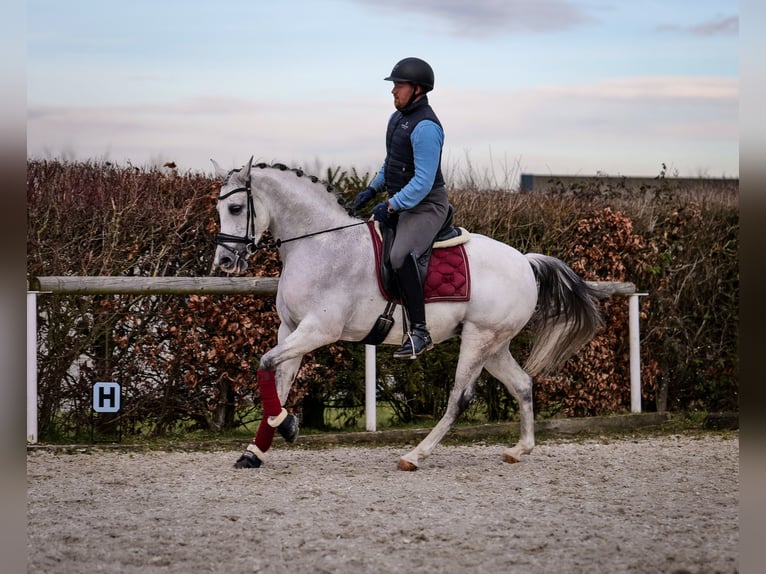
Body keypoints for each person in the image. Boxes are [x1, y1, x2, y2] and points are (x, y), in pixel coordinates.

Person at [353, 57, 450, 359]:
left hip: (426, 205)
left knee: (399, 255)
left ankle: (419, 331)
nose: (393, 91)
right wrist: (372, 187)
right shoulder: (398, 120)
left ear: (418, 89)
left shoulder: (426, 127)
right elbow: (392, 165)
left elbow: (422, 182)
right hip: (404, 201)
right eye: (394, 85)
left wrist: (391, 205)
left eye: (399, 85)